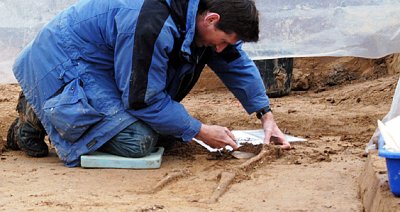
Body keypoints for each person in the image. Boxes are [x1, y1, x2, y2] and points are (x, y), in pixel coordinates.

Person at [7, 0, 290, 167]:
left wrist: (265, 114)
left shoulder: (200, 13)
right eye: (224, 40)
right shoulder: (152, 23)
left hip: (105, 65)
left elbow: (233, 60)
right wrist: (199, 130)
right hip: (63, 62)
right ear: (212, 19)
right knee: (139, 140)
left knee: (168, 130)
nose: (220, 50)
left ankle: (51, 104)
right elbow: (142, 99)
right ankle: (38, 109)